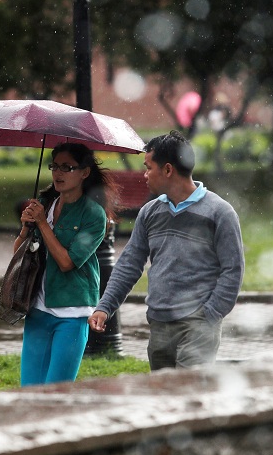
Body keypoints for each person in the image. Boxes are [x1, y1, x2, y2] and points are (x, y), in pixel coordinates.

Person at [88, 130, 244, 370]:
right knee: (165, 399)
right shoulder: (150, 213)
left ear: (168, 170)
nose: (145, 174)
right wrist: (105, 306)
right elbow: (129, 264)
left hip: (198, 324)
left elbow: (233, 270)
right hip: (159, 323)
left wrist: (210, 314)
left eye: (148, 167)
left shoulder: (219, 212)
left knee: (189, 397)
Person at [16, 142, 117, 386]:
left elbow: (66, 262)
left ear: (84, 172)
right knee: (29, 390)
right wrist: (25, 227)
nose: (58, 173)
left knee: (56, 391)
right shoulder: (45, 203)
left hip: (72, 313)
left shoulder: (93, 214)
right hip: (38, 308)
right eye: (55, 166)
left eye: (67, 167)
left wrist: (42, 224)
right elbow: (19, 254)